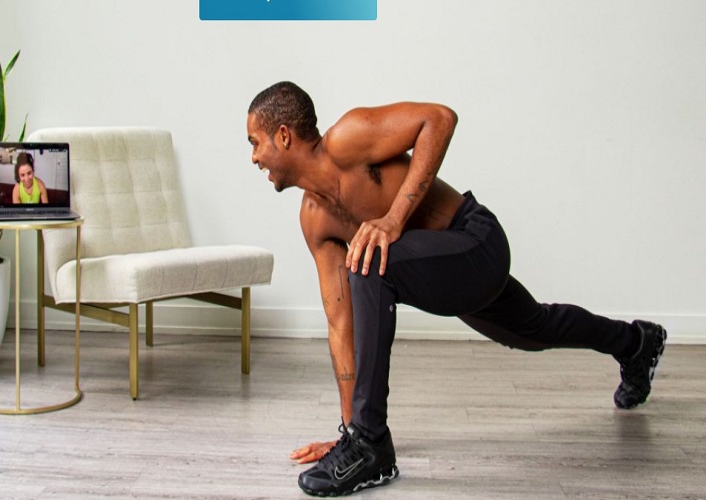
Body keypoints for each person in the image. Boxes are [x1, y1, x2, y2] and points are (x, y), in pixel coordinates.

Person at [246, 81, 667, 497]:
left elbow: (439, 119)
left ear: (283, 136)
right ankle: (634, 342)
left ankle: (373, 446)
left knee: (369, 264)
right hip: (446, 275)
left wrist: (393, 219)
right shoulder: (315, 220)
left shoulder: (348, 138)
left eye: (256, 142)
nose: (254, 157)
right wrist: (347, 432)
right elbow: (341, 325)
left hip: (475, 240)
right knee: (535, 328)